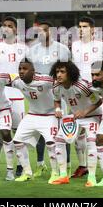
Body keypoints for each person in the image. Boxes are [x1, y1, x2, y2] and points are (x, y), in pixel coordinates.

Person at [26, 21, 71, 177]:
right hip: (39, 97)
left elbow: (67, 73)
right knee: (39, 132)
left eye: (44, 30)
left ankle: (67, 166)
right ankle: (40, 164)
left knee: (64, 132)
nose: (41, 33)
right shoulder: (31, 51)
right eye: (39, 31)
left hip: (59, 96)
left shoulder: (62, 50)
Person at [0, 17, 26, 177]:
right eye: (4, 26)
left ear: (16, 30)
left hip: (17, 95)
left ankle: (21, 165)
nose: (6, 28)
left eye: (10, 26)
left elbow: (29, 70)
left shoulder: (24, 48)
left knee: (18, 131)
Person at [49, 60, 103, 187]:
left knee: (91, 142)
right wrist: (57, 109)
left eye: (62, 72)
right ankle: (63, 176)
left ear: (70, 73)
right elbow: (56, 101)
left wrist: (85, 112)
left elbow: (98, 101)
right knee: (59, 140)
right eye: (57, 71)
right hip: (75, 117)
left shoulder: (81, 86)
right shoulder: (56, 87)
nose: (59, 75)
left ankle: (91, 177)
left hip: (92, 115)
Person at [11, 59, 59, 183]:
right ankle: (27, 173)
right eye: (20, 69)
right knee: (17, 141)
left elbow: (61, 84)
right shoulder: (18, 82)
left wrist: (59, 107)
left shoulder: (45, 80)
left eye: (25, 69)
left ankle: (55, 173)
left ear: (33, 71)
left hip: (50, 115)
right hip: (32, 115)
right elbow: (2, 80)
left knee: (51, 144)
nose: (21, 71)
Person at [71, 17, 103, 179]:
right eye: (79, 26)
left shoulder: (100, 45)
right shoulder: (75, 45)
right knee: (77, 135)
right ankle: (82, 165)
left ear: (93, 29)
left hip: (97, 93)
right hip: (78, 93)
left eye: (85, 27)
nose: (81, 29)